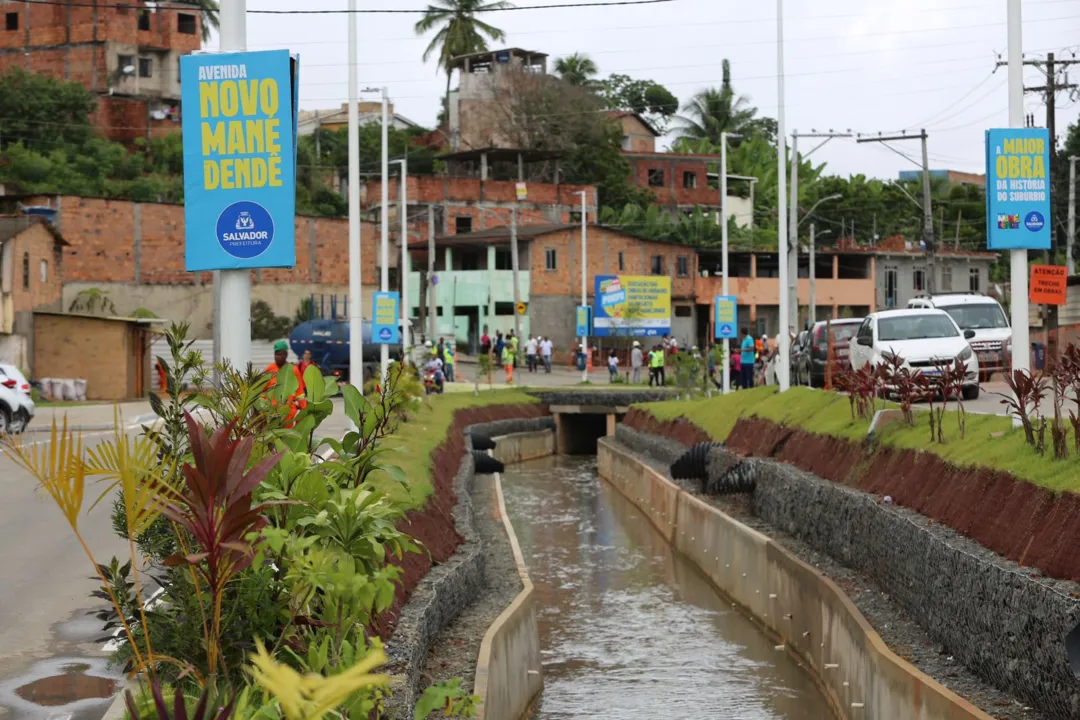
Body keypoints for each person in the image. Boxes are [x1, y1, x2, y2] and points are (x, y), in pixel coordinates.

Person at [264, 340, 307, 426]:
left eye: (280, 354)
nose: (277, 357)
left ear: (286, 355)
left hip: (288, 414)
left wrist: (304, 409)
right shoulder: (269, 369)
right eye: (276, 354)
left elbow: (300, 393)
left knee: (287, 434)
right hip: (271, 414)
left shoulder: (293, 370)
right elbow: (261, 389)